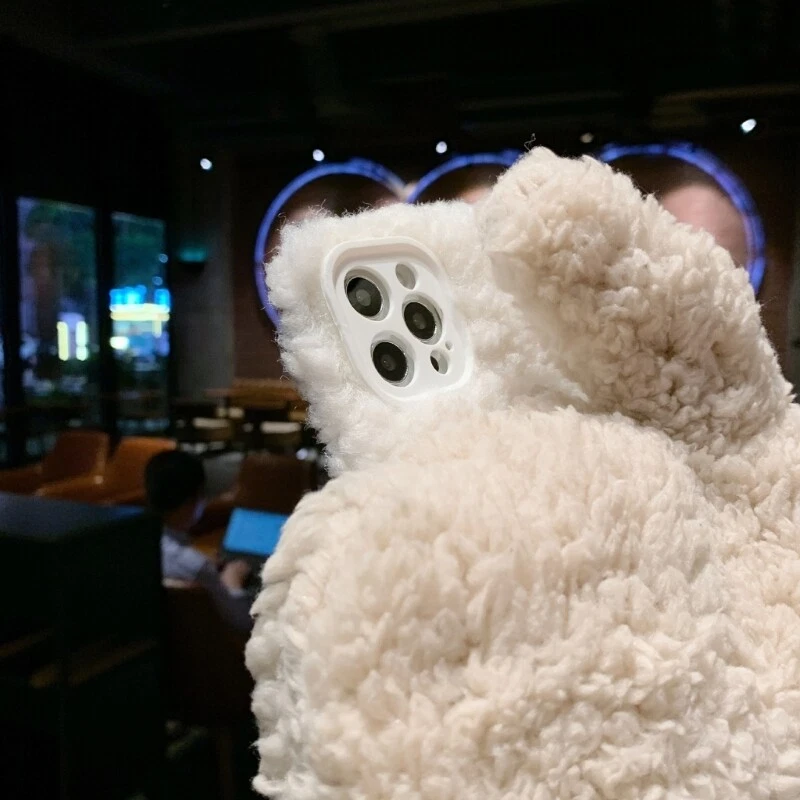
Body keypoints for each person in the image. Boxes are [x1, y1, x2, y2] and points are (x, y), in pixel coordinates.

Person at [145, 449, 253, 632]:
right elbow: (242, 621)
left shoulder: (132, 546)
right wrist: (232, 580)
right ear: (192, 501)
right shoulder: (197, 566)